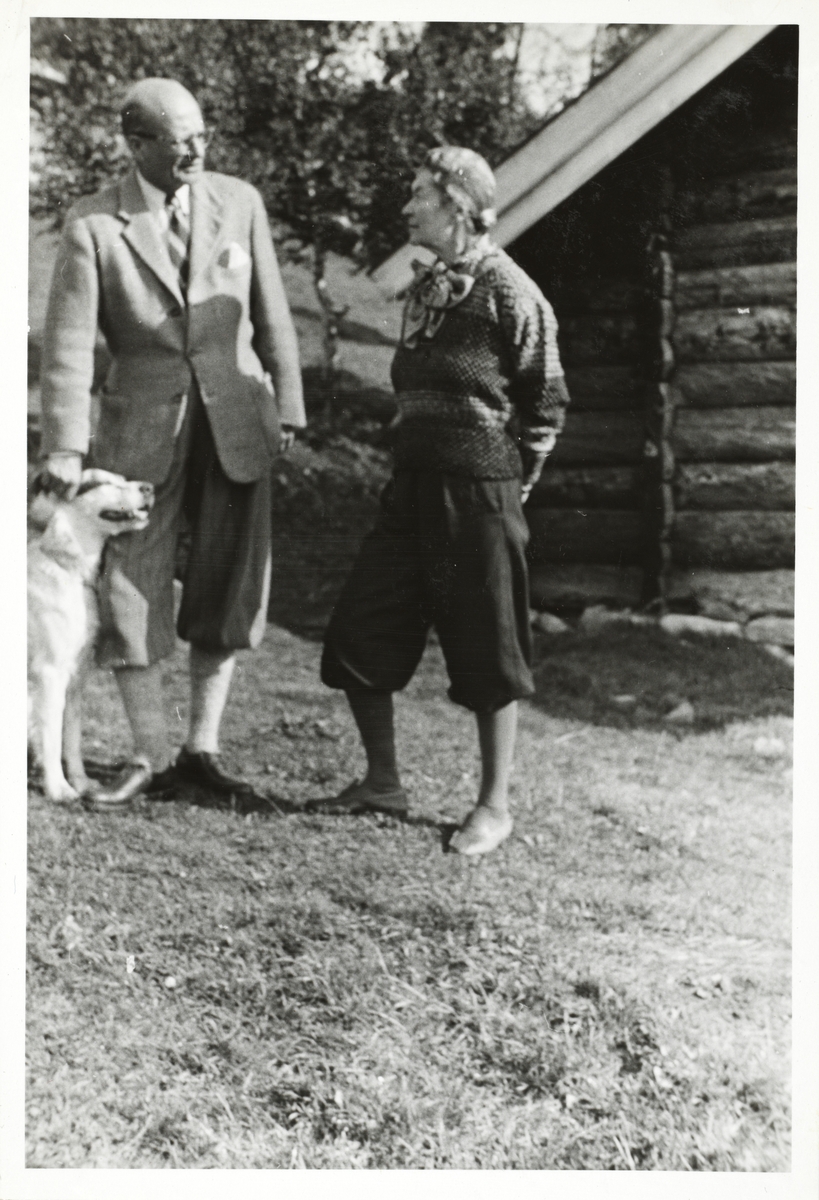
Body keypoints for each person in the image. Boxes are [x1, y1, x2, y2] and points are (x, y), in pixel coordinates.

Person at [38, 78, 306, 810]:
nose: (195, 150)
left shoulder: (239, 201)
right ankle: (147, 754)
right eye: (177, 140)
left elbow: (271, 312)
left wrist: (289, 406)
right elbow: (68, 343)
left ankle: (202, 752)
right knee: (131, 585)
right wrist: (65, 443)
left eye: (201, 136)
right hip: (140, 428)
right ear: (136, 144)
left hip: (238, 418)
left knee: (230, 583)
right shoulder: (94, 224)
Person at [316, 146, 570, 855]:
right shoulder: (426, 289)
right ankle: (382, 783)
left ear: (456, 206)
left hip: (480, 495)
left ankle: (492, 807)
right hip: (412, 490)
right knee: (359, 631)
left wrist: (504, 489)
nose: (406, 209)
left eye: (418, 196)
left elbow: (544, 403)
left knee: (487, 647)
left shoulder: (511, 291)